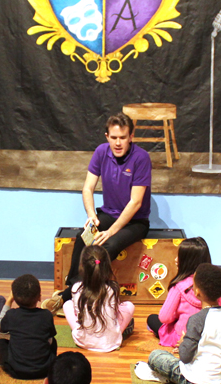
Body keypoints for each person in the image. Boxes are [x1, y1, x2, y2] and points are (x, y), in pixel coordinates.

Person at [43, 112, 151, 312]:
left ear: (130, 137)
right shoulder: (101, 152)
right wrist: (92, 215)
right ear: (107, 137)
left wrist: (111, 231)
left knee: (107, 246)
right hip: (108, 213)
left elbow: (135, 203)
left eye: (122, 138)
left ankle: (66, 297)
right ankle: (75, 289)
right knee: (83, 237)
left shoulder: (141, 158)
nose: (118, 143)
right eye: (114, 137)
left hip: (135, 221)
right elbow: (87, 188)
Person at [139, 263, 221, 384]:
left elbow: (185, 357)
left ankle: (167, 378)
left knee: (156, 356)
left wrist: (184, 342)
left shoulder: (197, 319)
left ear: (197, 292)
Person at [146, 237, 221, 347]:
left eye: (180, 257)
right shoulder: (213, 283)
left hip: (183, 338)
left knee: (152, 319)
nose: (176, 259)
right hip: (211, 338)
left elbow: (164, 318)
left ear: (187, 262)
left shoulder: (179, 286)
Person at [63, 244, 135, 352]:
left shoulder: (76, 288)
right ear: (107, 266)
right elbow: (114, 313)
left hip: (82, 340)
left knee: (67, 305)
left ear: (82, 266)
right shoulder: (112, 288)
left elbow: (77, 312)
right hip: (111, 342)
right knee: (129, 306)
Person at [0, 274, 57, 380]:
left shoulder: (11, 315)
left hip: (16, 371)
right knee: (53, 341)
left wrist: (9, 301)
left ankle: (0, 363)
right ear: (39, 297)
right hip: (44, 370)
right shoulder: (46, 315)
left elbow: (0, 325)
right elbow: (50, 338)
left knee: (1, 343)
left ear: (14, 297)